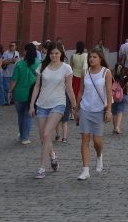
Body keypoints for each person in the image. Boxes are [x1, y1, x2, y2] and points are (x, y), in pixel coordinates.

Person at [31, 41, 77, 179]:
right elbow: (37, 87)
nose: (54, 56)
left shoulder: (66, 68)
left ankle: (42, 168)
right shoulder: (42, 66)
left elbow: (69, 88)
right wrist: (31, 104)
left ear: (61, 54)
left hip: (58, 103)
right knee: (42, 137)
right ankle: (52, 156)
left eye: (57, 53)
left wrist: (74, 107)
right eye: (51, 53)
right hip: (42, 104)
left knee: (46, 133)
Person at [75, 49, 112, 181]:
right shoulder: (85, 72)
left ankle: (99, 155)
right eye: (90, 57)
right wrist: (77, 107)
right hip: (85, 107)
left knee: (97, 141)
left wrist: (109, 110)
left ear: (100, 59)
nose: (91, 59)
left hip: (99, 109)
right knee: (85, 138)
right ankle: (85, 170)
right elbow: (81, 91)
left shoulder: (106, 72)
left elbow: (109, 92)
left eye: (95, 57)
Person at [8, 42, 41, 145]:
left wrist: (9, 91)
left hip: (19, 93)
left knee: (20, 115)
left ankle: (22, 134)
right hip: (32, 94)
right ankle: (25, 137)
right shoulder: (39, 64)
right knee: (27, 115)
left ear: (26, 51)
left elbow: (14, 80)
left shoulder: (19, 64)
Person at [70, 41, 89, 112]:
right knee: (82, 92)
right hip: (83, 76)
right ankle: (80, 108)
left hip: (74, 76)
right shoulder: (86, 55)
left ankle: (73, 109)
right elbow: (86, 67)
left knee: (74, 92)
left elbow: (71, 67)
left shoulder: (73, 56)